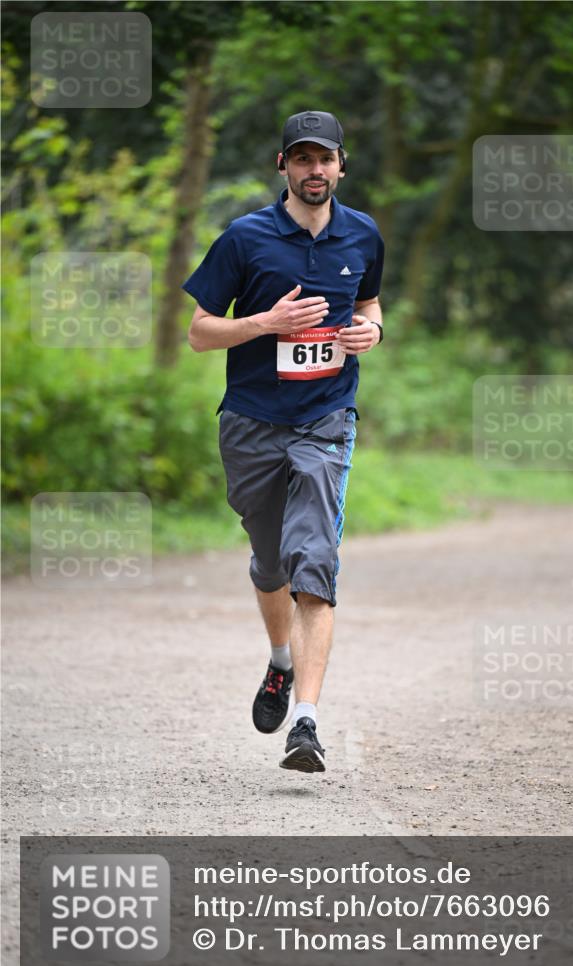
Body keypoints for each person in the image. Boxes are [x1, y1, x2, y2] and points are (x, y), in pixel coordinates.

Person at [183, 110, 384, 775]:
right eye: (301, 159)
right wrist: (265, 323)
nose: (314, 170)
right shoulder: (244, 239)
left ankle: (307, 721)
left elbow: (370, 305)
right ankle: (278, 661)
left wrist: (369, 333)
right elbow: (200, 332)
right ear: (283, 167)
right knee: (270, 563)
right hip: (249, 421)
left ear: (341, 166)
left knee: (314, 565)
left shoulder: (363, 234)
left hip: (327, 419)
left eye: (324, 159)